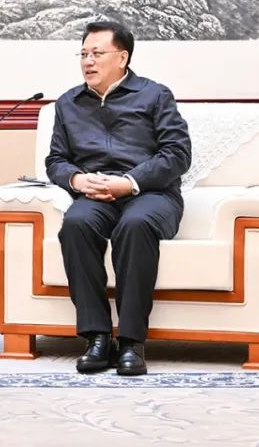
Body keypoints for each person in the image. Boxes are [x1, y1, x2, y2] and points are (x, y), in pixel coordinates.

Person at [45, 20, 191, 376]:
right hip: (95, 195)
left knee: (135, 224)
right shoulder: (68, 103)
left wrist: (129, 182)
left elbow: (177, 154)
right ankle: (96, 337)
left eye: (97, 53)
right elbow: (56, 160)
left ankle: (131, 342)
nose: (88, 61)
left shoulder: (155, 95)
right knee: (76, 223)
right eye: (83, 54)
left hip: (151, 194)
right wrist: (77, 179)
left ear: (122, 58)